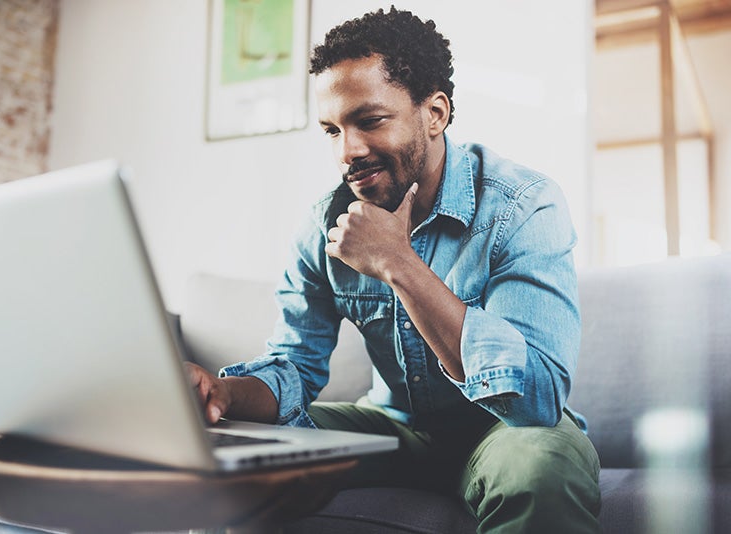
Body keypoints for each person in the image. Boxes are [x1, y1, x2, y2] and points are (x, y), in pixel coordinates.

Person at [185, 7, 601, 532]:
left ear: (435, 113)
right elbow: (294, 365)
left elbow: (537, 397)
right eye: (332, 130)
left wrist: (397, 262)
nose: (348, 152)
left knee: (543, 467)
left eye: (370, 120)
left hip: (506, 428)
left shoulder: (523, 207)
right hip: (394, 426)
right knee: (234, 449)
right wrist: (222, 395)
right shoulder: (324, 225)